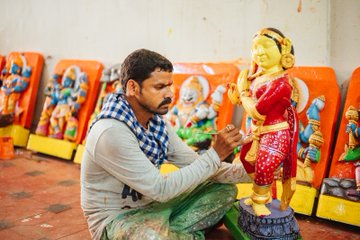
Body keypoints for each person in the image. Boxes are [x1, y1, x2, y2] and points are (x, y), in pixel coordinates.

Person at [80, 49, 250, 240]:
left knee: (223, 190)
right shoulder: (110, 131)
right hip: (116, 219)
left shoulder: (157, 123)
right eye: (159, 87)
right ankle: (176, 234)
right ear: (133, 88)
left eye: (170, 85)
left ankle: (173, 234)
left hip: (153, 205)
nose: (170, 94)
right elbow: (160, 189)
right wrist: (215, 154)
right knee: (151, 237)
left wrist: (258, 172)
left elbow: (199, 166)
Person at [228, 28, 298, 216]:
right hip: (257, 132)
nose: (259, 52)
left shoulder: (282, 84)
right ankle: (263, 192)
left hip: (275, 133)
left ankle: (260, 199)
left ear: (283, 52)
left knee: (265, 165)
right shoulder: (258, 78)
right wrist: (238, 96)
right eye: (255, 47)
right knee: (245, 159)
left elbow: (258, 111)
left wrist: (243, 94)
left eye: (265, 46)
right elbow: (250, 103)